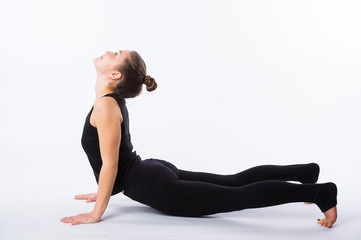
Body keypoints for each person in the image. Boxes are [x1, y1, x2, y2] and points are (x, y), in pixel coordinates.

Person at [61, 50, 338, 228]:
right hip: (152, 172)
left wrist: (97, 212)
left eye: (116, 53)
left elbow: (110, 164)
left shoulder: (106, 105)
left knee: (237, 195)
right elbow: (114, 160)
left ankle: (318, 192)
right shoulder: (108, 102)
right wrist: (106, 190)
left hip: (157, 185)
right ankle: (307, 173)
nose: (109, 51)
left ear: (115, 74)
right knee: (234, 182)